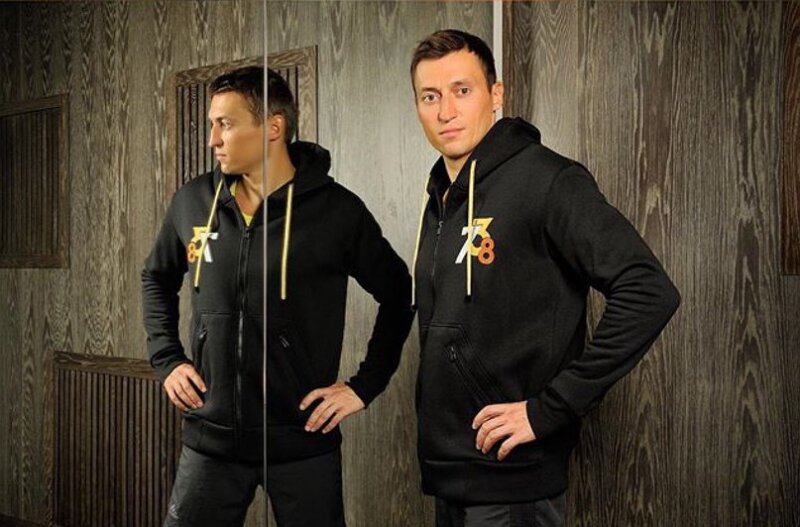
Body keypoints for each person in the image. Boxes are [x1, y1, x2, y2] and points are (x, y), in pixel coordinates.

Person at [408, 30, 681, 527]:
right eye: (430, 96)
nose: (445, 110)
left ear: (496, 94)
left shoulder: (548, 180)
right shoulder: (441, 198)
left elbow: (648, 291)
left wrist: (549, 409)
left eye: (462, 90)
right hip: (450, 473)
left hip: (514, 481)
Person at [142, 66, 413, 526]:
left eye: (225, 124)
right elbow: (156, 277)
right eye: (212, 125)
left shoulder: (336, 210)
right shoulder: (193, 201)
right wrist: (167, 358)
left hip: (302, 441)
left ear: (272, 127)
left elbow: (398, 291)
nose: (212, 139)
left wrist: (364, 386)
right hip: (211, 441)